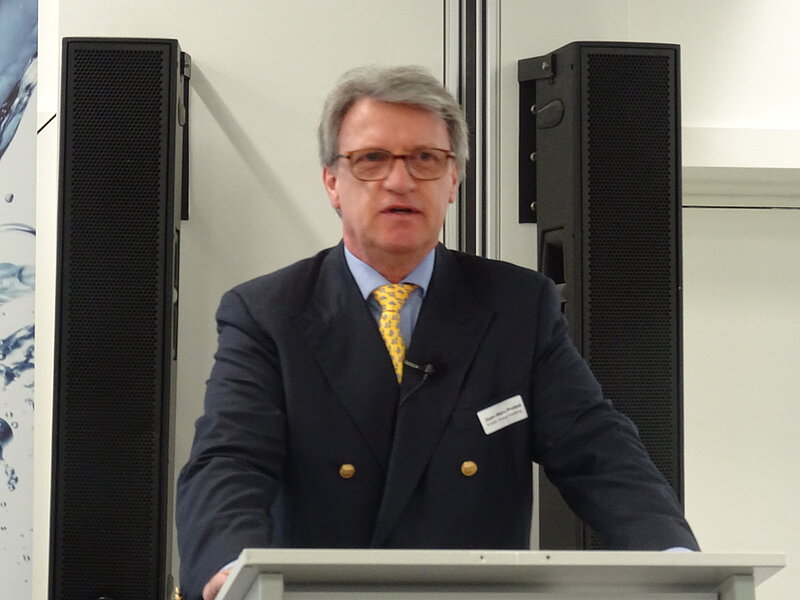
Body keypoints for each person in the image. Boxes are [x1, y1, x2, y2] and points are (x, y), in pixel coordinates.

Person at [176, 65, 699, 600]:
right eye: (372, 159)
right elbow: (231, 459)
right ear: (332, 181)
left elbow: (596, 446)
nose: (400, 181)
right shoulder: (268, 313)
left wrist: (672, 558)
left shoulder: (517, 307)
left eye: (426, 159)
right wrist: (228, 566)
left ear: (453, 181)